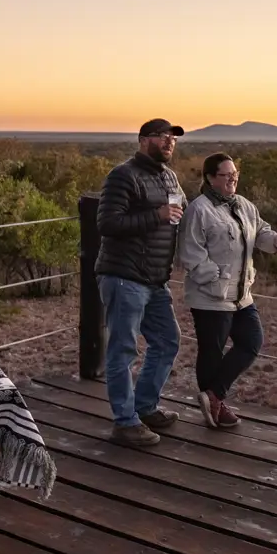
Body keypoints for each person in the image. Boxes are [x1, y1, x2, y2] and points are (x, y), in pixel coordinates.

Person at [178, 153, 277, 428]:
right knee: (211, 352)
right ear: (209, 178)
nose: (233, 179)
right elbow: (190, 253)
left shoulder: (243, 205)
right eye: (226, 175)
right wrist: (215, 275)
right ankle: (215, 410)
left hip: (242, 296)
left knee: (252, 341)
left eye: (235, 174)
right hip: (210, 297)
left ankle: (213, 395)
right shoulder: (199, 210)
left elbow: (261, 232)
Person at [94, 118, 188, 447]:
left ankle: (144, 407)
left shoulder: (169, 176)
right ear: (143, 139)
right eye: (162, 136)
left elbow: (180, 210)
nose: (169, 142)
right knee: (123, 350)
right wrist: (158, 216)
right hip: (124, 277)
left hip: (154, 280)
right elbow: (107, 223)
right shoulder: (123, 175)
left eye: (172, 138)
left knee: (167, 341)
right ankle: (124, 421)